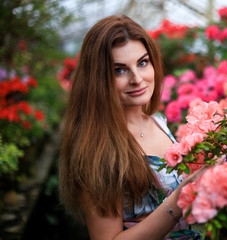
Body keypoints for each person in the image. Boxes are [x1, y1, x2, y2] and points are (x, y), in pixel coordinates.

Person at [59, 15, 213, 240]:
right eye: (119, 70)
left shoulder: (158, 121)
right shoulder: (97, 148)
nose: (137, 79)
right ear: (98, 79)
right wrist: (178, 200)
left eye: (142, 63)